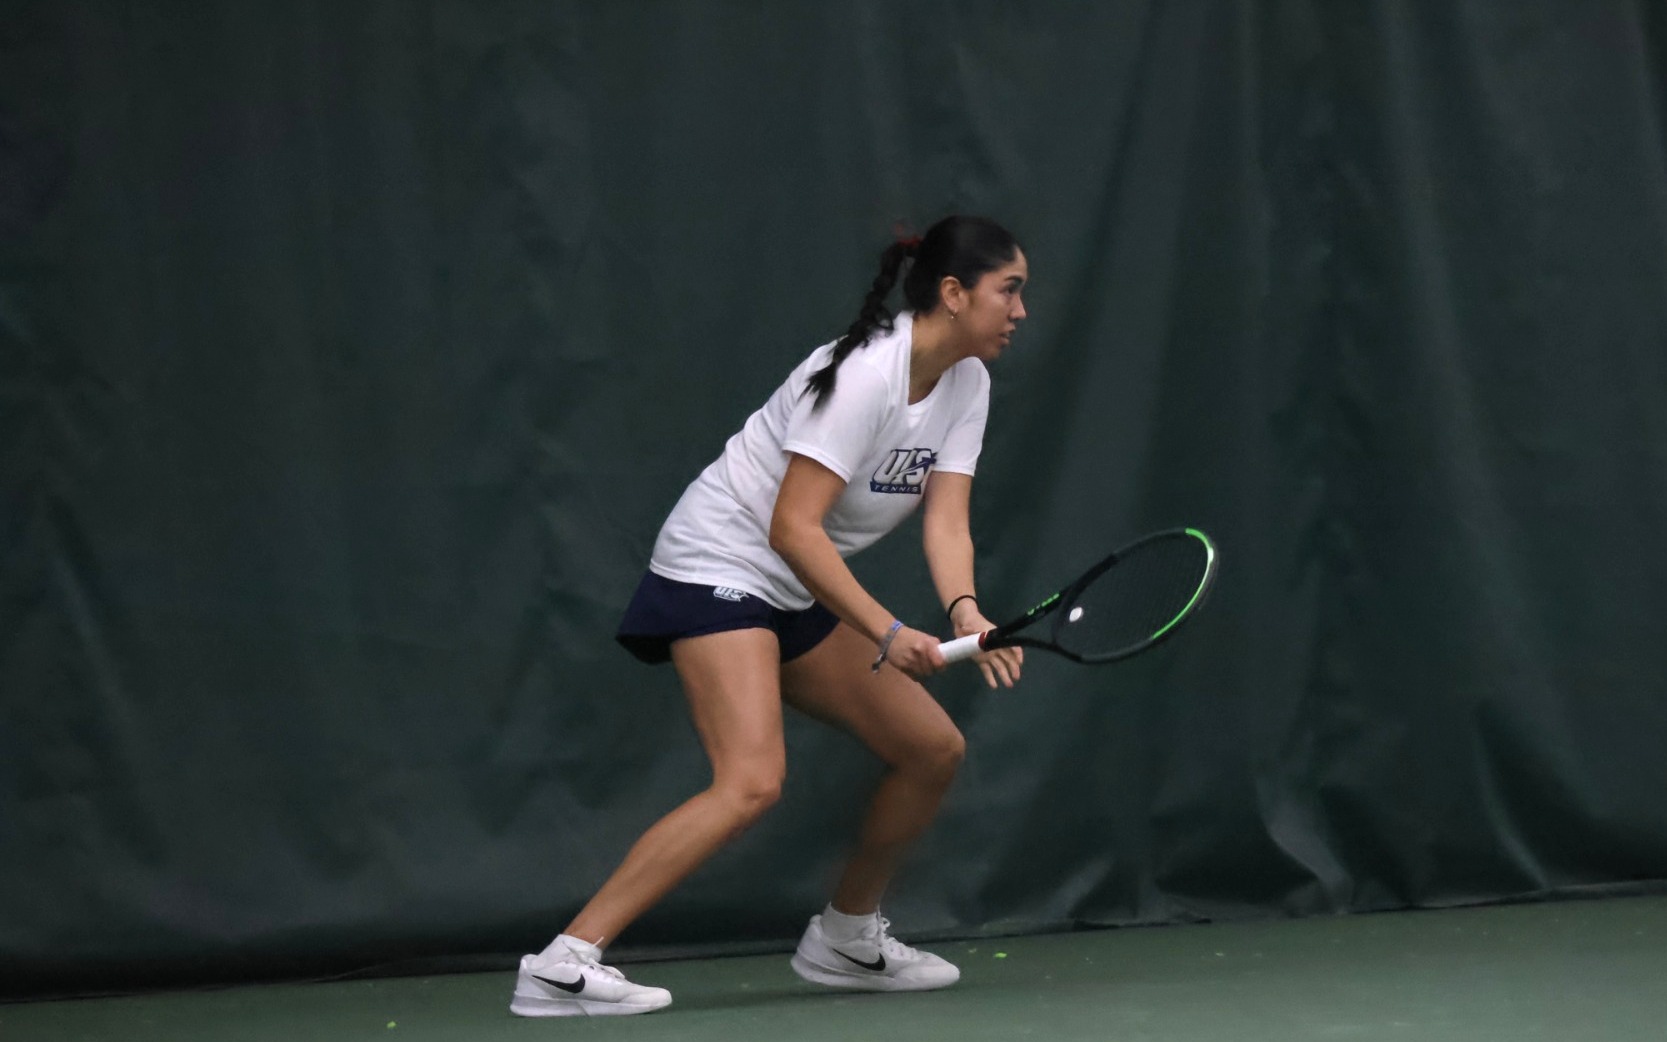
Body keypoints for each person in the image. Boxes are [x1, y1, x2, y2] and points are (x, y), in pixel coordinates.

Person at [510, 214, 1030, 1017]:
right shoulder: (864, 375)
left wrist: (964, 611)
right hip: (718, 566)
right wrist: (887, 633)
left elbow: (946, 520)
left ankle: (846, 939)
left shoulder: (967, 383)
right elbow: (792, 525)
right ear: (954, 294)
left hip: (791, 585)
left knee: (931, 748)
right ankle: (562, 963)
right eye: (1010, 290)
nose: (1021, 310)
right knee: (751, 781)